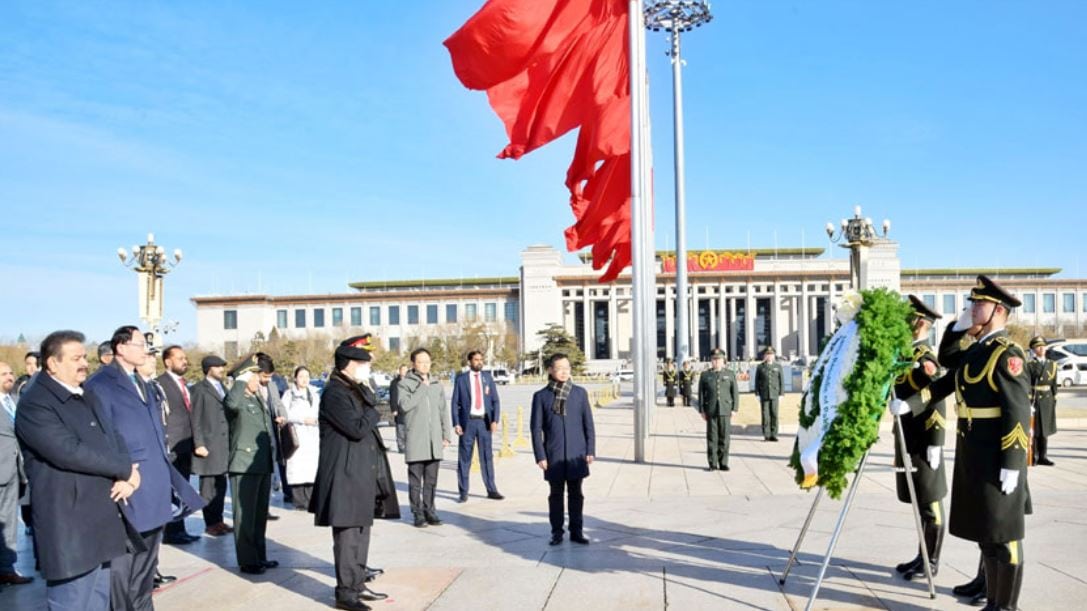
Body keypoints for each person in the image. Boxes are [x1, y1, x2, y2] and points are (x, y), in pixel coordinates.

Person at [895, 275, 1031, 611]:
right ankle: (992, 600)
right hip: (973, 452)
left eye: (977, 304)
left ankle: (1005, 607)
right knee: (986, 531)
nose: (970, 308)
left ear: (998, 310)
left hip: (999, 456)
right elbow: (946, 373)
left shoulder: (1006, 354)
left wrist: (1014, 463)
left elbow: (1017, 411)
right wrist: (909, 405)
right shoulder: (977, 351)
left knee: (1004, 536)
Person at [84, 325, 204, 610]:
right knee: (124, 564)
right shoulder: (100, 384)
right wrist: (120, 474)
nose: (146, 350)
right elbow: (100, 436)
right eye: (140, 344)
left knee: (147, 564)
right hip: (129, 485)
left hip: (154, 483)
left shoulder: (144, 383)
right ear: (121, 348)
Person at [16, 330, 137, 610]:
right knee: (72, 602)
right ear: (52, 363)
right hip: (69, 523)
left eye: (84, 357)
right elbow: (68, 452)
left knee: (98, 599)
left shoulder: (86, 394)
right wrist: (124, 468)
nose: (84, 363)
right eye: (75, 358)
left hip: (100, 515)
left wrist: (127, 471)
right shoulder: (35, 403)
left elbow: (113, 436)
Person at [311, 336, 391, 611]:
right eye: (362, 363)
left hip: (359, 473)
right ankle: (345, 593)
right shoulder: (335, 393)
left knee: (361, 532)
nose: (366, 368)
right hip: (343, 476)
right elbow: (356, 428)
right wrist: (373, 408)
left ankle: (357, 584)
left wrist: (370, 402)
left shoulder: (354, 389)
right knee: (347, 536)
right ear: (348, 365)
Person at [891, 295, 947, 582]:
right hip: (907, 437)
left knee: (930, 500)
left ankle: (932, 560)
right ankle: (922, 554)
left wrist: (936, 441)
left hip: (924, 439)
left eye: (908, 318)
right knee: (918, 500)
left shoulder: (925, 357)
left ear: (921, 323)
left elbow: (937, 398)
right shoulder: (906, 354)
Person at [531, 353, 595, 546]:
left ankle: (576, 531)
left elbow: (588, 424)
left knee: (576, 494)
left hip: (577, 454)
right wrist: (540, 455)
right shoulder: (541, 396)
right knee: (556, 495)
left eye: (567, 367)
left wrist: (590, 449)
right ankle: (556, 532)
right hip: (554, 455)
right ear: (550, 370)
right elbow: (535, 429)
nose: (564, 371)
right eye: (559, 368)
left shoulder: (579, 393)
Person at [225, 353, 280, 574]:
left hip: (261, 462)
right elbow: (231, 404)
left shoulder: (257, 398)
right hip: (243, 462)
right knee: (245, 516)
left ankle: (259, 555)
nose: (259, 380)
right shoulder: (236, 398)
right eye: (255, 376)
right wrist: (240, 380)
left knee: (258, 515)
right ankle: (248, 560)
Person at [397, 348, 451, 528]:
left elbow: (443, 410)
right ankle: (417, 512)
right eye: (421, 362)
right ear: (413, 364)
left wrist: (446, 434)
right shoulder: (405, 384)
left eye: (427, 361)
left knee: (431, 480)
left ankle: (430, 510)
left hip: (434, 440)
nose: (425, 365)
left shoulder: (436, 384)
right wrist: (422, 388)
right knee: (415, 481)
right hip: (416, 439)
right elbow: (405, 405)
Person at [157, 345, 201, 545]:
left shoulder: (185, 385)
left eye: (185, 357)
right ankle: (170, 531)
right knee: (170, 490)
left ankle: (179, 529)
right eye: (180, 358)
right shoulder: (160, 384)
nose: (185, 361)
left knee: (182, 488)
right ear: (168, 362)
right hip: (172, 445)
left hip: (185, 445)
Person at [451, 351, 504, 503]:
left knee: (487, 457)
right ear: (469, 362)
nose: (479, 362)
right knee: (464, 459)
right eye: (476, 360)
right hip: (468, 423)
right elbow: (455, 402)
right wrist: (456, 423)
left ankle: (491, 489)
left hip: (484, 423)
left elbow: (495, 401)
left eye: (481, 360)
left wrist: (495, 420)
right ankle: (463, 491)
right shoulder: (461, 380)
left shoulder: (487, 378)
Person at [189, 354, 234, 536]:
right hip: (208, 445)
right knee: (208, 488)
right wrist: (198, 443)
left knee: (220, 486)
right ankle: (211, 523)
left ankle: (219, 520)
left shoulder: (222, 387)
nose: (222, 370)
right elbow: (195, 419)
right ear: (209, 369)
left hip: (222, 445)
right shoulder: (199, 389)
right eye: (218, 367)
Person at [0, 361, 32, 587]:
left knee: (9, 522)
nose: (9, 377)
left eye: (11, 373)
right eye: (3, 374)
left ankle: (6, 568)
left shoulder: (14, 401)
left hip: (14, 471)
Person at [282, 366, 320, 511]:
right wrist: (302, 419)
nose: (304, 379)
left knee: (311, 468)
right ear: (295, 378)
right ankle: (299, 500)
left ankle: (311, 499)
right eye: (301, 376)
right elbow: (284, 414)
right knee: (297, 469)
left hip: (312, 435)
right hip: (296, 435)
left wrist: (315, 420)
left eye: (307, 376)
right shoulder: (289, 395)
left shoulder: (315, 394)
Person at [698, 349, 739, 471]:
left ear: (723, 361)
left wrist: (735, 408)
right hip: (711, 409)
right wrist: (702, 410)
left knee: (724, 438)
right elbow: (701, 394)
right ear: (711, 361)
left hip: (725, 409)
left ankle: (723, 462)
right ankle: (712, 463)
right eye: (714, 360)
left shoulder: (730, 374)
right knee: (712, 437)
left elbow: (735, 393)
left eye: (719, 359)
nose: (716, 362)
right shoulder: (705, 375)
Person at [1027, 336, 1058, 466]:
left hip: (1047, 398)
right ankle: (1033, 456)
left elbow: (1054, 384)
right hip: (1035, 398)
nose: (1041, 349)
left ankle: (1043, 456)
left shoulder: (1052, 364)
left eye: (1043, 346)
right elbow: (1027, 383)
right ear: (1034, 349)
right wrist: (1028, 402)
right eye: (1038, 347)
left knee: (1044, 430)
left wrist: (1054, 398)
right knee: (1035, 430)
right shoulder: (1030, 364)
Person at [754, 347, 784, 441]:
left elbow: (781, 381)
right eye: (767, 354)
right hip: (764, 394)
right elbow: (757, 381)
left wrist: (781, 394)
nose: (769, 356)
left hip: (775, 394)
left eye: (771, 354)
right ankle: (766, 434)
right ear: (765, 356)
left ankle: (774, 434)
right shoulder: (760, 367)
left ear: (774, 356)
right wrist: (757, 394)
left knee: (774, 414)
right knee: (765, 415)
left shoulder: (778, 366)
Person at [389, 365, 408, 453]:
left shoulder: (411, 381)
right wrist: (394, 409)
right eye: (403, 370)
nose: (404, 372)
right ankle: (401, 447)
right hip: (399, 409)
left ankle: (409, 446)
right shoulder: (394, 383)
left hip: (409, 409)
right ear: (399, 371)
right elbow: (392, 396)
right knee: (400, 429)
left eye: (406, 370)